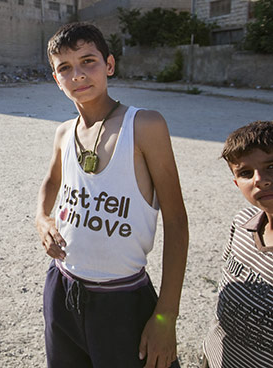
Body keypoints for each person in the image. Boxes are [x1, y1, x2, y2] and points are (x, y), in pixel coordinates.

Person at [35, 22, 189, 368]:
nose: (77, 75)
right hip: (62, 288)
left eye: (88, 61)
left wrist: (165, 318)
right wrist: (42, 217)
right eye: (64, 68)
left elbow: (177, 222)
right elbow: (50, 180)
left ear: (109, 64)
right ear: (55, 78)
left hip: (122, 298)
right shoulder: (64, 132)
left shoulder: (145, 126)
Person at [202, 121, 273, 368]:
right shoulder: (242, 223)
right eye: (245, 173)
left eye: (271, 167)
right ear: (235, 182)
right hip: (217, 358)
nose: (261, 180)